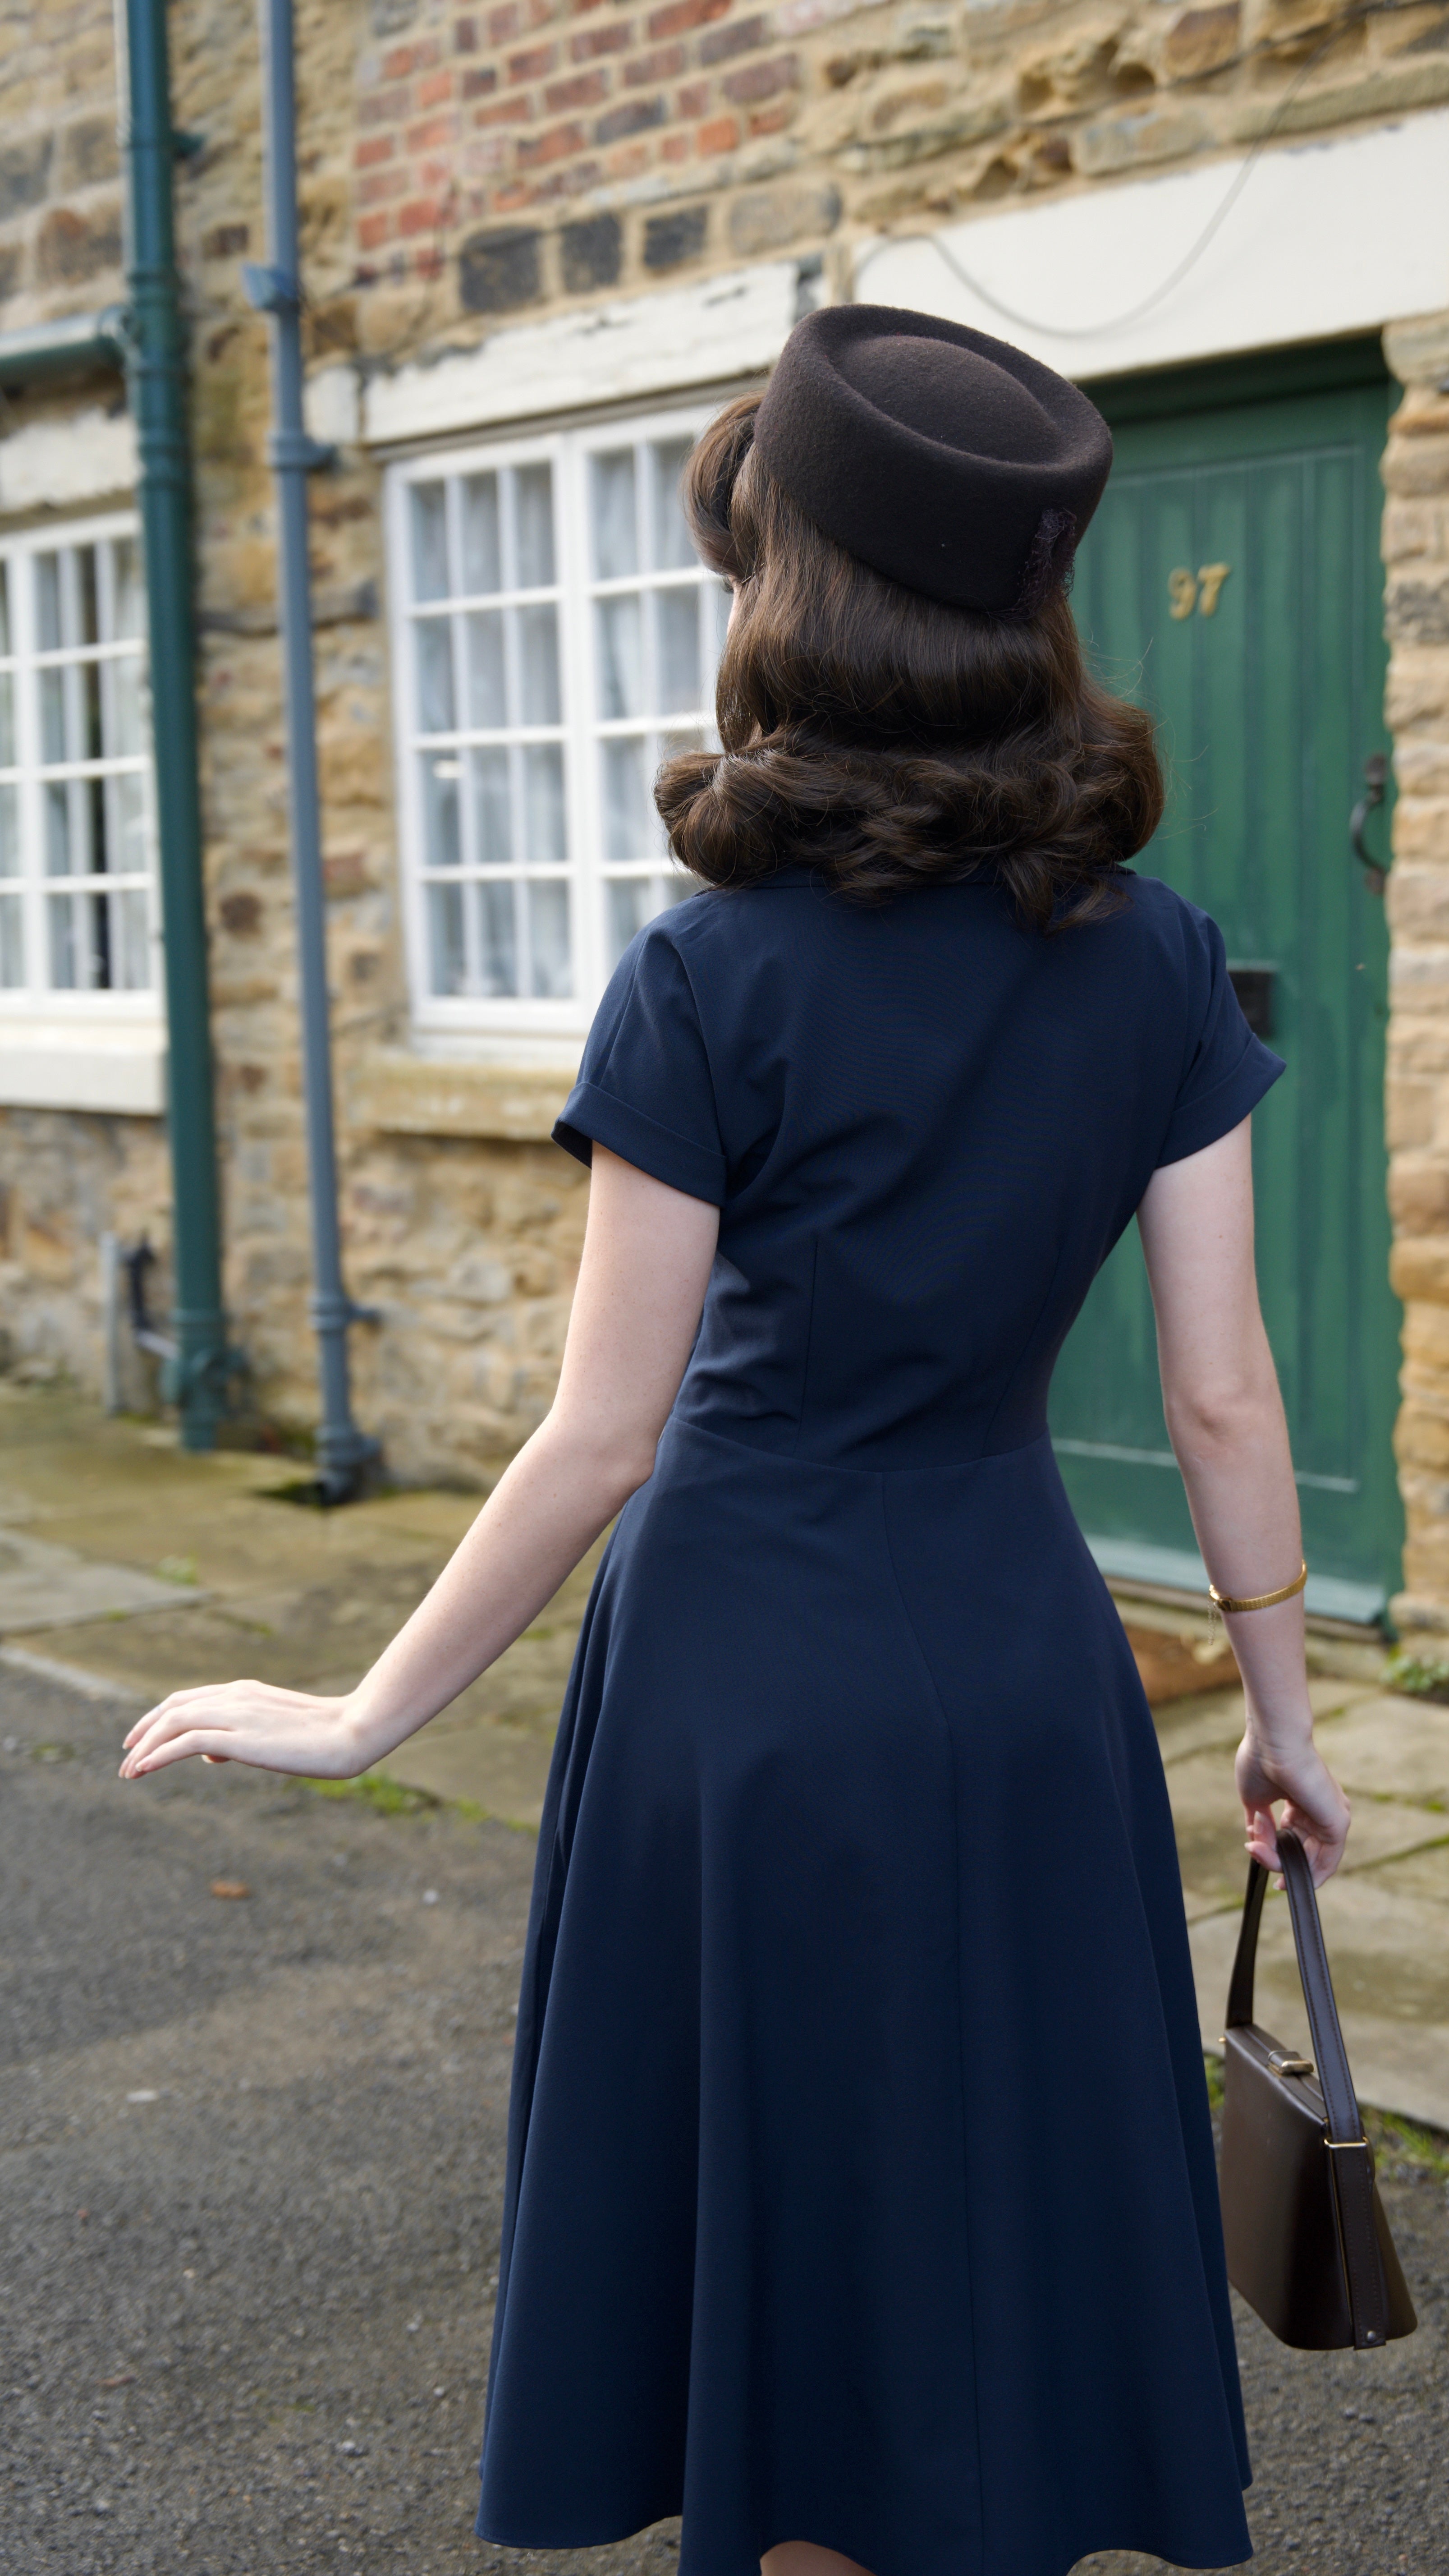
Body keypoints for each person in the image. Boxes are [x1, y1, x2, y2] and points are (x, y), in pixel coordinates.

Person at [120, 304, 1351, 2576]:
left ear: (795, 601)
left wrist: (371, 1704)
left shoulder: (706, 976)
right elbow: (1220, 1397)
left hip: (746, 1683)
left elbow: (603, 1435)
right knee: (999, 2245)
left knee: (785, 2305)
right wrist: (1282, 1724)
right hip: (1017, 1669)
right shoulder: (1160, 960)